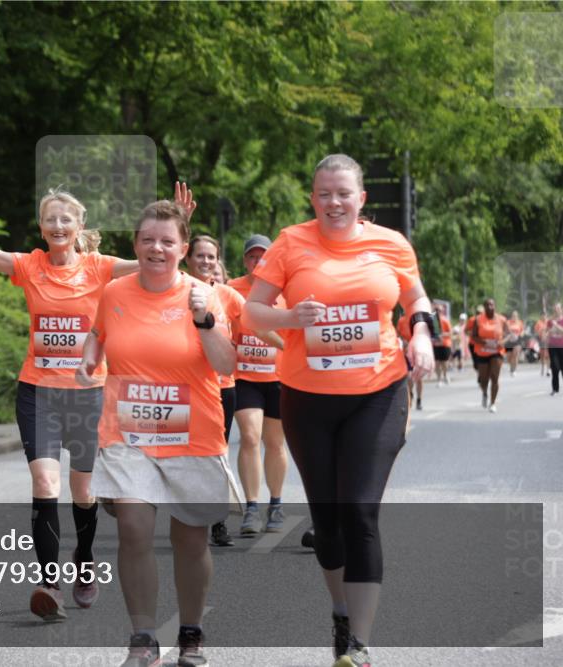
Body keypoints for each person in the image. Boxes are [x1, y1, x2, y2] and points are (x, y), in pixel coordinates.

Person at [244, 154, 435, 667]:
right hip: (307, 400)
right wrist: (289, 315)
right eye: (324, 193)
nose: (334, 202)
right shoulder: (290, 243)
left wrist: (420, 334)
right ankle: (340, 612)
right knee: (327, 523)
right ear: (313, 199)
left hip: (378, 392)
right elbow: (251, 310)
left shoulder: (391, 244)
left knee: (360, 511)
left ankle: (360, 645)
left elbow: (416, 296)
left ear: (361, 199)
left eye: (343, 193)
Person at [0, 178, 157, 620]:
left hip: (87, 395)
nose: (58, 225)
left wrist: (176, 223)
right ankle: (48, 584)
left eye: (66, 219)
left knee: (83, 490)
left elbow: (153, 263)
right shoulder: (29, 265)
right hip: (37, 392)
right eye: (50, 219)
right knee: (45, 484)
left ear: (79, 226)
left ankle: (84, 561)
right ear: (41, 227)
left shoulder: (99, 267)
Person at [76, 200, 236, 667]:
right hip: (127, 433)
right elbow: (97, 334)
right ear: (136, 245)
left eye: (168, 241)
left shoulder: (206, 295)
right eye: (148, 240)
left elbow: (227, 364)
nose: (157, 248)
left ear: (184, 249)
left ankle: (190, 632)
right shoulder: (115, 293)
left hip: (194, 434)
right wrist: (90, 358)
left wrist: (205, 320)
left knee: (191, 539)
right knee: (133, 527)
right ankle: (143, 637)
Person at [182, 234, 246, 546]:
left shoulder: (227, 295)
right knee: (187, 455)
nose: (206, 262)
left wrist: (289, 346)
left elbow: (256, 322)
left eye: (211, 257)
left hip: (223, 387)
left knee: (216, 453)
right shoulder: (175, 290)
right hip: (186, 385)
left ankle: (218, 522)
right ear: (188, 258)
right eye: (200, 256)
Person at [226, 234, 288, 538]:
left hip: (278, 377)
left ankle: (275, 504)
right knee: (250, 437)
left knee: (275, 443)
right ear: (244, 261)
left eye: (263, 256)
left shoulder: (284, 289)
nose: (257, 261)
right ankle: (251, 507)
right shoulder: (231, 290)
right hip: (245, 377)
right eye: (252, 256)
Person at [469, 297, 507, 412]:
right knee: (483, 379)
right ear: (484, 307)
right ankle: (484, 392)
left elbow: (510, 334)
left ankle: (493, 403)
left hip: (497, 352)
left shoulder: (501, 319)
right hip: (482, 352)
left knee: (495, 377)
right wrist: (484, 342)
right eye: (487, 305)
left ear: (495, 306)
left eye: (492, 305)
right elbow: (473, 336)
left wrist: (502, 342)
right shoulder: (478, 320)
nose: (490, 307)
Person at [433, 303, 452, 385]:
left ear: (442, 311)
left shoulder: (445, 320)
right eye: (436, 310)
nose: (437, 312)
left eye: (439, 310)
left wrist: (442, 334)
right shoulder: (432, 321)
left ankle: (445, 375)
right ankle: (439, 379)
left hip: (445, 344)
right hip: (435, 345)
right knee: (437, 363)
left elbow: (450, 333)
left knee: (444, 362)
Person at [547, 302, 563, 395]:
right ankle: (555, 388)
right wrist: (550, 329)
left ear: (561, 309)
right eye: (555, 308)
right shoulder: (550, 321)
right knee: (554, 367)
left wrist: (556, 325)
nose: (556, 310)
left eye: (558, 308)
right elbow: (548, 332)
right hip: (553, 346)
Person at [505, 310, 524, 377]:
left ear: (517, 316)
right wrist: (508, 335)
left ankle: (514, 370)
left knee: (515, 355)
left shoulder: (520, 322)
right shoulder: (508, 322)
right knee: (509, 357)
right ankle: (511, 367)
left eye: (515, 315)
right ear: (511, 316)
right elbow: (505, 330)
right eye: (513, 315)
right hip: (509, 341)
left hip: (517, 341)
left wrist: (520, 335)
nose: (514, 317)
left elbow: (522, 331)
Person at [534, 311, 549, 376]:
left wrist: (546, 334)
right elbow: (536, 332)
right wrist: (540, 331)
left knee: (548, 356)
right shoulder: (538, 323)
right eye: (543, 315)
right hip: (541, 340)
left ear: (546, 316)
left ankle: (548, 370)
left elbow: (551, 330)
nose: (544, 316)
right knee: (542, 355)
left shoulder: (549, 322)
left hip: (548, 340)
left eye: (545, 315)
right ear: (541, 316)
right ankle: (542, 368)